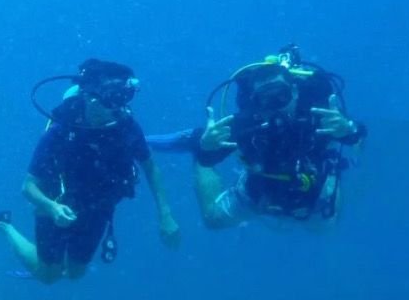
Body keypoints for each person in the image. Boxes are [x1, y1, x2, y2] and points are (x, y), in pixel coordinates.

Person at [0, 59, 179, 283]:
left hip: (98, 209)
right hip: (56, 203)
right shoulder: (61, 131)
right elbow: (27, 187)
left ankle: (46, 264)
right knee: (48, 276)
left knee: (75, 274)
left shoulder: (126, 127)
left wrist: (165, 214)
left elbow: (151, 168)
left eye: (117, 105)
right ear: (88, 98)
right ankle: (3, 223)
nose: (112, 113)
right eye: (105, 104)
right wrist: (51, 207)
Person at [149, 45, 364, 227]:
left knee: (325, 228)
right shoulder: (246, 123)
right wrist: (206, 147)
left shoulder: (320, 116)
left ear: (295, 91)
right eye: (266, 99)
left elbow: (359, 137)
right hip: (256, 194)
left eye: (281, 95)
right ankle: (195, 139)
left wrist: (350, 130)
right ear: (255, 101)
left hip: (313, 194)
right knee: (212, 221)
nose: (276, 106)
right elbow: (209, 160)